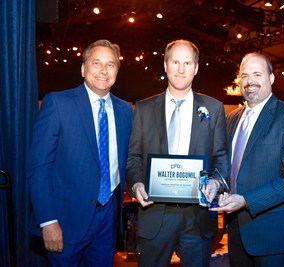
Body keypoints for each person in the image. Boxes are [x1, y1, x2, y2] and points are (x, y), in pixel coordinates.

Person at [27, 39, 133, 266]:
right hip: (65, 220)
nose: (104, 70)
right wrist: (47, 221)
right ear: (84, 69)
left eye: (111, 64)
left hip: (107, 218)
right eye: (97, 63)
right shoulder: (57, 103)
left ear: (117, 71)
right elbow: (39, 167)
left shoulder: (125, 110)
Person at [126, 39, 228, 267]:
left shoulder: (213, 109)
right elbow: (133, 157)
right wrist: (136, 184)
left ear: (196, 68)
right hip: (155, 215)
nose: (181, 69)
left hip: (198, 218)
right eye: (175, 62)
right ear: (165, 65)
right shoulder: (143, 109)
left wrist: (214, 183)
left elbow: (220, 157)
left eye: (187, 63)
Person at [211, 53, 284, 266]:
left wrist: (247, 200)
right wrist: (215, 182)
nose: (250, 81)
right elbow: (228, 164)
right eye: (245, 75)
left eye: (257, 74)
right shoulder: (232, 118)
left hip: (273, 234)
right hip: (237, 230)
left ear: (271, 78)